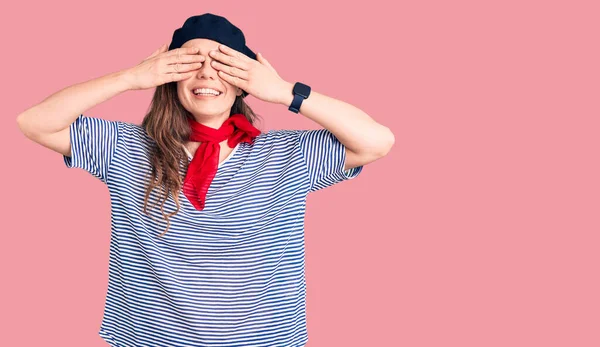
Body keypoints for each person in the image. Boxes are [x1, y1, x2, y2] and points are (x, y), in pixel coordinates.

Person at [17, 13, 394, 347]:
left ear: (245, 81)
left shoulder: (287, 155)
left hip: (266, 340)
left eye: (223, 63)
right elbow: (34, 122)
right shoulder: (124, 147)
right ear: (169, 75)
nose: (207, 73)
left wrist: (284, 92)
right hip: (148, 339)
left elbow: (378, 141)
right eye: (191, 62)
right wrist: (131, 77)